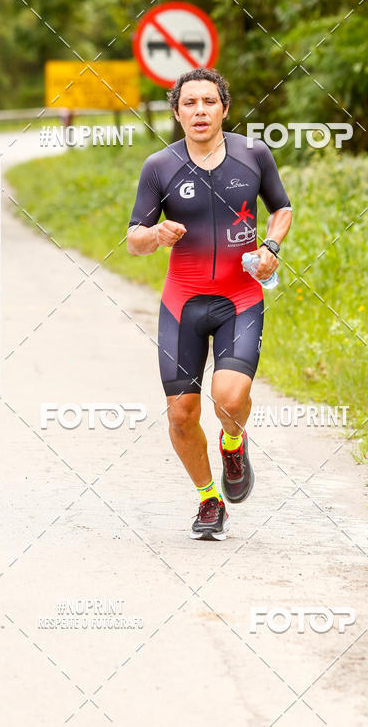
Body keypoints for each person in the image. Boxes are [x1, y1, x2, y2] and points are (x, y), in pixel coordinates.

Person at [126, 67, 292, 540]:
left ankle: (233, 444)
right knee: (181, 413)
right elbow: (134, 238)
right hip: (183, 302)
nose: (200, 111)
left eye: (209, 102)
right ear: (177, 113)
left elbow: (281, 208)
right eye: (189, 104)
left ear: (224, 108)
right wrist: (155, 234)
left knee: (230, 397)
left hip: (240, 297)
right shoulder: (159, 166)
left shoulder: (253, 154)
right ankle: (208, 499)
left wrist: (271, 249)